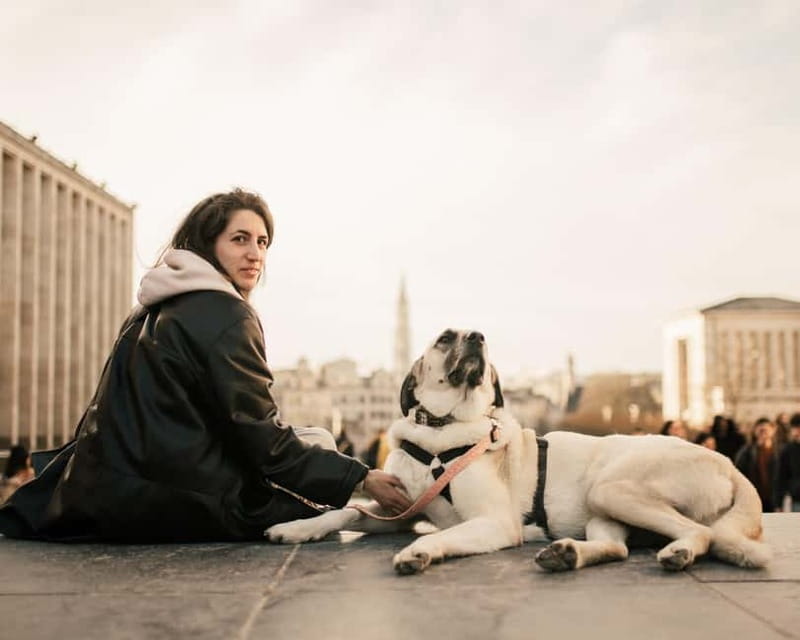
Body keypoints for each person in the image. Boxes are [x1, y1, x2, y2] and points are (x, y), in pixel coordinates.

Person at [0, 189, 410, 542]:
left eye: (263, 242)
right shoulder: (224, 313)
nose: (255, 254)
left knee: (316, 444)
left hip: (105, 489)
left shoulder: (152, 306)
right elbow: (263, 439)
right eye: (240, 239)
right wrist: (361, 478)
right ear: (208, 244)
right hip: (176, 497)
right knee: (321, 454)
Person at [734, 417, 781, 512]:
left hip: (774, 497)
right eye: (760, 430)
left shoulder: (780, 451)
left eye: (766, 430)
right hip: (753, 497)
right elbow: (738, 474)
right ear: (755, 431)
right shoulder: (746, 452)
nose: (763, 433)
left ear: (773, 430)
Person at [775, 413, 800, 512]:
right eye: (795, 428)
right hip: (797, 499)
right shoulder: (787, 450)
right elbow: (780, 478)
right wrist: (778, 503)